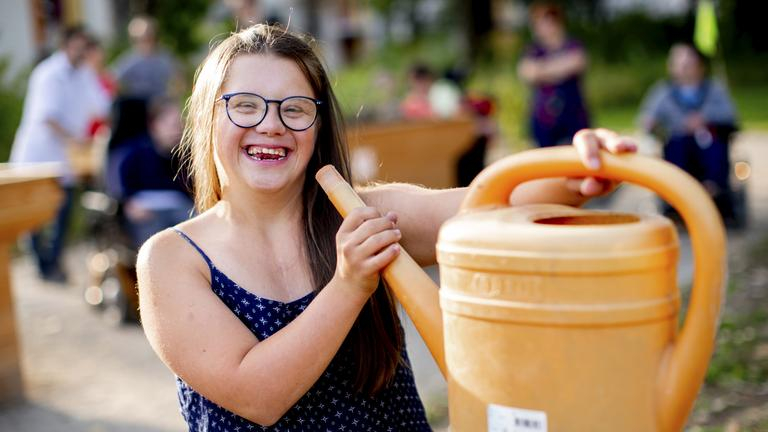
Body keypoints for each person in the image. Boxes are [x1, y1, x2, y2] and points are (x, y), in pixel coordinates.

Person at [137, 24, 635, 431]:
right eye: (245, 104)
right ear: (208, 117)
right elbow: (258, 396)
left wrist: (577, 170)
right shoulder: (171, 259)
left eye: (295, 109)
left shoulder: (362, 214)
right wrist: (350, 284)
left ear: (319, 128)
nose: (271, 124)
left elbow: (489, 207)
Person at [10, 25, 110, 282]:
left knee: (63, 210)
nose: (82, 51)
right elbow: (47, 117)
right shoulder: (48, 74)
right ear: (65, 45)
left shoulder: (84, 73)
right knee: (34, 214)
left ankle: (52, 262)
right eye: (78, 45)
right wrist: (75, 139)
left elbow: (102, 106)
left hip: (66, 158)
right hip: (38, 155)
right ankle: (43, 265)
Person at [638, 43, 738, 220]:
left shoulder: (714, 89)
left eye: (688, 64)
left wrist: (704, 119)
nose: (683, 69)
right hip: (678, 144)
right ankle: (679, 196)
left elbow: (730, 116)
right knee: (676, 147)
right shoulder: (662, 92)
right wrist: (656, 124)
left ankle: (712, 192)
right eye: (678, 64)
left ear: (699, 66)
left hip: (708, 143)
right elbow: (646, 120)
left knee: (715, 148)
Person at [116, 97, 193, 248]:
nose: (177, 131)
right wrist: (128, 203)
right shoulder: (135, 154)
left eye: (179, 125)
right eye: (171, 126)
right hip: (147, 211)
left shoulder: (185, 157)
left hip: (179, 210)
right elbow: (123, 190)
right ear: (154, 126)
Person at [518, 2, 590, 148]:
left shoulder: (573, 45)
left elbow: (578, 62)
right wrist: (561, 68)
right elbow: (527, 73)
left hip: (573, 113)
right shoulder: (533, 50)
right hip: (543, 117)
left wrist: (542, 70)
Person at [112, 15, 180, 101]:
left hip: (160, 102)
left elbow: (178, 78)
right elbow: (112, 78)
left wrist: (172, 96)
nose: (146, 41)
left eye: (149, 36)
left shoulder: (164, 57)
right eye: (141, 39)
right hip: (138, 104)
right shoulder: (129, 59)